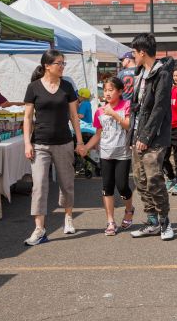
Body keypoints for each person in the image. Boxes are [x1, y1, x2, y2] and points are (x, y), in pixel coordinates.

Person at [23, 49, 84, 246]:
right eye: (59, 63)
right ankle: (39, 229)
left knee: (67, 184)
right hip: (40, 143)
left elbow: (74, 116)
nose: (62, 66)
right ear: (47, 66)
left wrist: (80, 141)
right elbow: (27, 118)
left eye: (63, 63)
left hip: (64, 141)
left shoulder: (67, 86)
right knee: (39, 185)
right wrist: (27, 143)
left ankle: (68, 217)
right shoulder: (33, 87)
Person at [128, 33, 175, 241]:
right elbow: (137, 106)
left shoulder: (162, 74)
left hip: (153, 137)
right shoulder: (140, 73)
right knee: (140, 179)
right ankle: (152, 221)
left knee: (154, 179)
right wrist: (134, 135)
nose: (132, 56)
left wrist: (146, 136)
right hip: (137, 134)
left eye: (134, 52)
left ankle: (165, 221)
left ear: (142, 52)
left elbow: (159, 108)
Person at [80, 77, 134, 236]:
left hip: (123, 153)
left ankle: (129, 209)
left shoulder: (126, 105)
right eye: (105, 90)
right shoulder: (99, 111)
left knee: (123, 186)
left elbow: (128, 125)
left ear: (120, 91)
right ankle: (110, 221)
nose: (107, 93)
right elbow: (98, 134)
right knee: (107, 188)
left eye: (111, 90)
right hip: (106, 153)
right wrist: (86, 147)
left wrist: (114, 114)